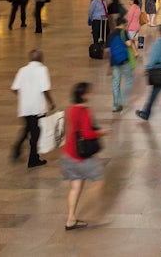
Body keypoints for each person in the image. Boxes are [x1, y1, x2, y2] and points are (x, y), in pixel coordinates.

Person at [61, 82, 107, 230]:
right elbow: (87, 134)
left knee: (75, 186)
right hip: (82, 156)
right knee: (98, 182)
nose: (91, 94)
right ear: (84, 95)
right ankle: (91, 209)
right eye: (89, 92)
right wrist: (102, 132)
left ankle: (70, 219)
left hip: (68, 154)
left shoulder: (69, 110)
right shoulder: (85, 111)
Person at [11, 49, 55, 168]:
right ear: (41, 58)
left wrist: (24, 95)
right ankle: (33, 159)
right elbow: (45, 89)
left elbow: (14, 88)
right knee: (35, 133)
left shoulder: (22, 70)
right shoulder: (42, 69)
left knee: (28, 128)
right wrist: (51, 102)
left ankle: (17, 149)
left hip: (25, 107)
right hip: (37, 107)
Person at [107, 16, 135, 113]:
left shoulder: (110, 34)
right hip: (124, 60)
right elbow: (128, 44)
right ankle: (121, 100)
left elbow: (107, 50)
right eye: (126, 25)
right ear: (123, 24)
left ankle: (115, 106)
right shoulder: (124, 32)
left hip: (114, 61)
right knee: (130, 78)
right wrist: (132, 41)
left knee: (116, 83)